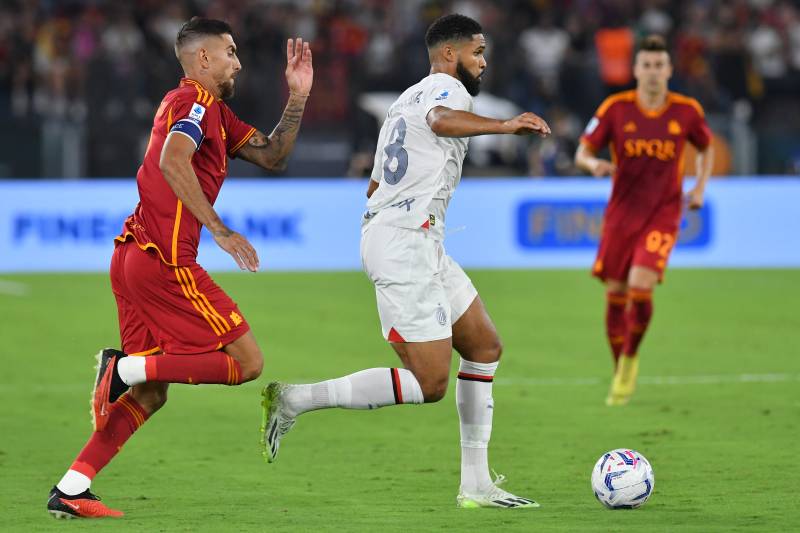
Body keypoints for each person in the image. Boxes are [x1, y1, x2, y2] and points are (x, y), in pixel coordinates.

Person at [260, 14, 550, 509]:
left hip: (417, 238)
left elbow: (376, 181)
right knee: (431, 382)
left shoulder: (403, 99)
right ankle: (295, 399)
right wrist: (506, 125)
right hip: (403, 242)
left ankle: (476, 485)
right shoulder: (446, 91)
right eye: (477, 52)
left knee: (483, 346)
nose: (483, 62)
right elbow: (441, 122)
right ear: (450, 55)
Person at [47, 17, 313, 519]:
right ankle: (122, 366)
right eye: (230, 52)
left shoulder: (216, 113)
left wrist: (297, 95)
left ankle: (72, 488)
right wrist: (220, 229)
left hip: (131, 258)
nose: (238, 61)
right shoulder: (192, 101)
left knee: (150, 396)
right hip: (163, 262)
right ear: (204, 59)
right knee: (247, 362)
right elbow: (174, 160)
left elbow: (274, 155)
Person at [574, 35, 714, 406]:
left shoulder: (686, 111)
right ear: (636, 70)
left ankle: (631, 357)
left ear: (669, 70)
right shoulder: (616, 108)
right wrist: (594, 165)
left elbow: (706, 146)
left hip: (663, 213)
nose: (652, 72)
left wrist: (699, 188)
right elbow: (582, 151)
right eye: (646, 65)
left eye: (659, 65)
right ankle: (620, 366)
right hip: (622, 215)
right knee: (616, 295)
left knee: (640, 286)